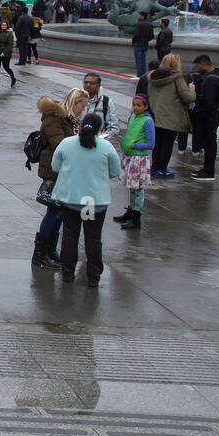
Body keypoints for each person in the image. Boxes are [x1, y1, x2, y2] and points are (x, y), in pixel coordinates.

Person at [50, 113, 120, 287]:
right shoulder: (106, 146)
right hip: (93, 202)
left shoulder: (67, 143)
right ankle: (94, 275)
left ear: (81, 126)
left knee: (70, 235)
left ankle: (67, 272)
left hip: (71, 200)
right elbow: (115, 171)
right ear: (99, 129)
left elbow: (55, 166)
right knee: (93, 237)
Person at [33, 88, 88, 271]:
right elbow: (60, 145)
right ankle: (40, 253)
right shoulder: (54, 118)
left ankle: (50, 249)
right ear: (74, 103)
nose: (83, 110)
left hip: (66, 171)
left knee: (60, 212)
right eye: (82, 105)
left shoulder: (71, 119)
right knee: (54, 211)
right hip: (54, 170)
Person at [146, 53, 194, 179]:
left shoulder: (152, 77)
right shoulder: (177, 78)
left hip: (155, 114)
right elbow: (187, 97)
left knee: (158, 142)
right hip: (171, 115)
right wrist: (193, 91)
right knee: (168, 143)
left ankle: (155, 167)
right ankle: (162, 169)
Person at [114, 95, 154, 230]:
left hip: (139, 159)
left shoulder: (148, 121)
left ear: (146, 107)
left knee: (138, 189)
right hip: (130, 158)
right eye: (134, 105)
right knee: (131, 187)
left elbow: (151, 144)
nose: (136, 108)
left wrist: (134, 146)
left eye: (139, 105)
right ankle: (130, 212)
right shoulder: (132, 117)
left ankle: (136, 217)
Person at [189, 54, 219, 181]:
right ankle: (206, 169)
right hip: (212, 117)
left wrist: (200, 114)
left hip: (209, 119)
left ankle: (209, 171)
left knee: (209, 144)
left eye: (198, 66)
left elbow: (209, 102)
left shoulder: (211, 80)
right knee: (208, 144)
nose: (197, 68)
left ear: (204, 64)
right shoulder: (216, 77)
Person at [82, 73, 119, 142]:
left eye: (92, 83)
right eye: (86, 82)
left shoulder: (106, 102)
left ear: (98, 85)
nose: (88, 85)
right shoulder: (76, 99)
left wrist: (99, 141)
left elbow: (114, 128)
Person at [130, 11, 153, 78]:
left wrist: (134, 41)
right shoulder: (149, 24)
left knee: (138, 60)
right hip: (145, 44)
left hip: (138, 44)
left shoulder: (139, 24)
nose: (138, 16)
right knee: (143, 60)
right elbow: (151, 36)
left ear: (142, 16)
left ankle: (139, 74)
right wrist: (146, 40)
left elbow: (136, 34)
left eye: (139, 15)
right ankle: (143, 74)